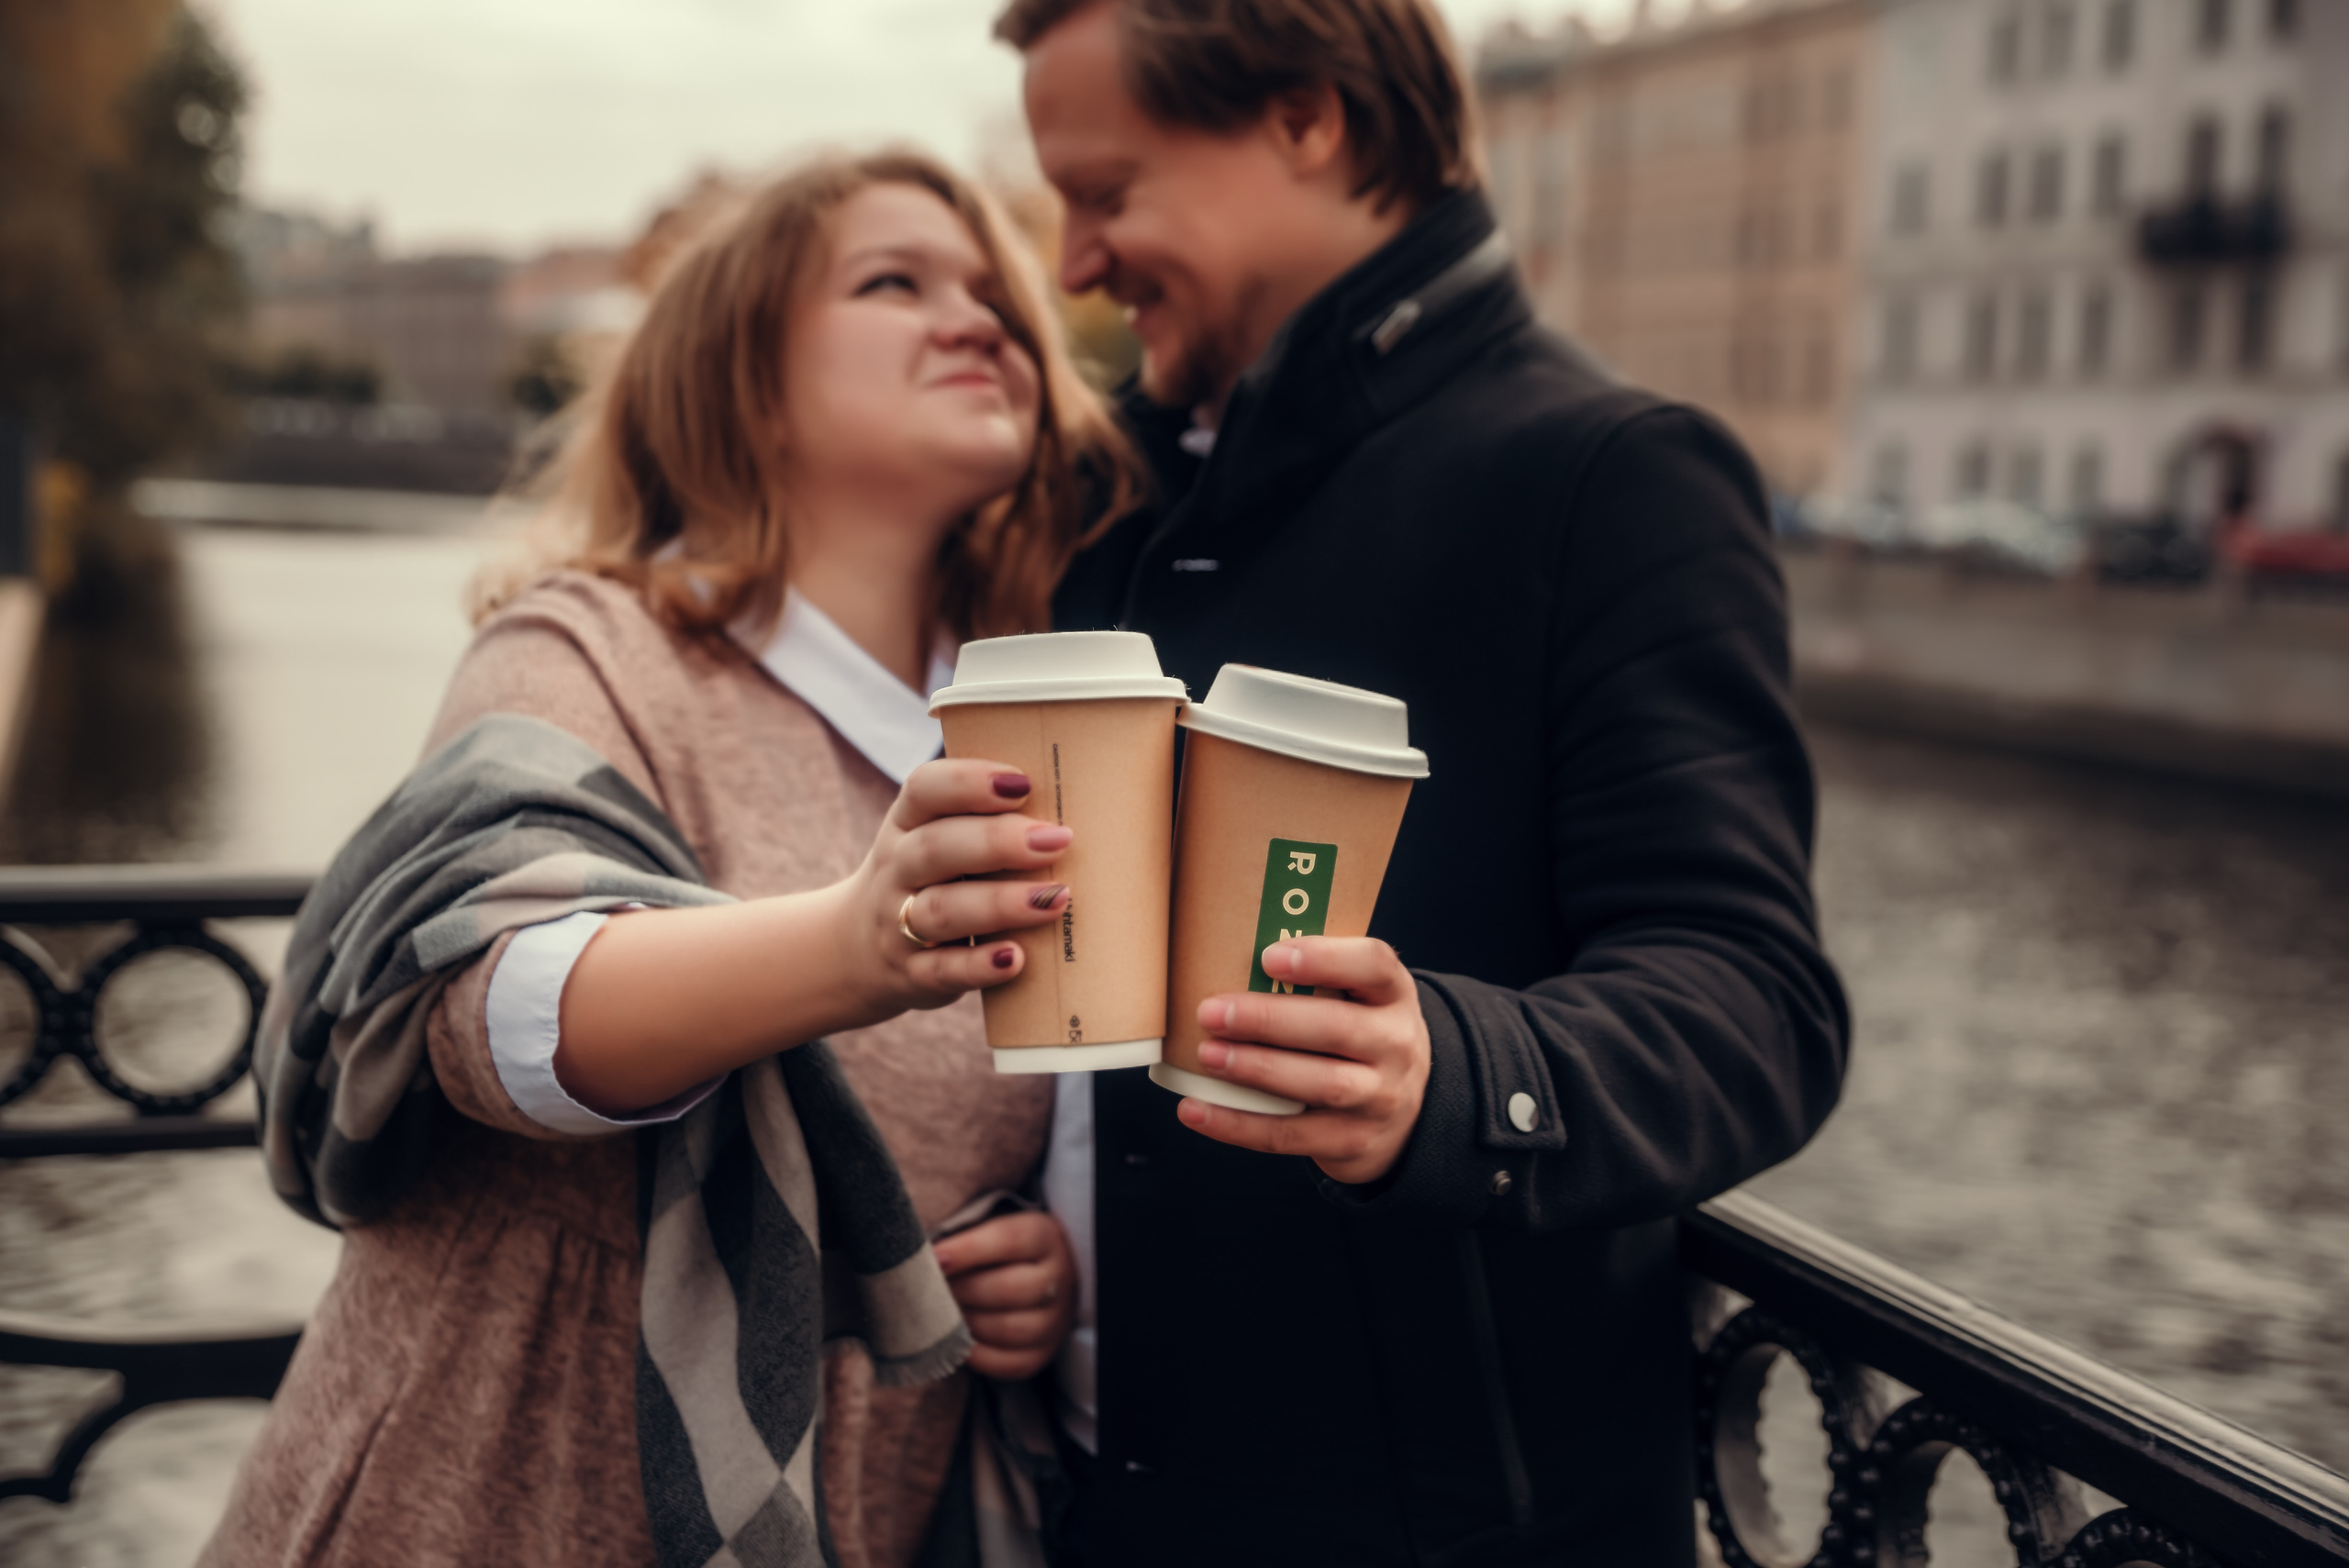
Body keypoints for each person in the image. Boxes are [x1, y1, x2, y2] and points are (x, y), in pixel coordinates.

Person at [996, 3, 1854, 1563]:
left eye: (1107, 191)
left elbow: (1757, 1003)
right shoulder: (1107, 493)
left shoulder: (1616, 472)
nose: (1071, 263)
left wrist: (1449, 1074)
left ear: (1307, 122)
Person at [203, 150, 1136, 1568]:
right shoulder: (593, 650)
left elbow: (994, 1133)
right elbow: (481, 999)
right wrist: (846, 948)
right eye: (897, 283)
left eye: (996, 297)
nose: (981, 321)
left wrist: (1024, 1269)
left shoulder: (1046, 723)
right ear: (744, 379)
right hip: (484, 1501)